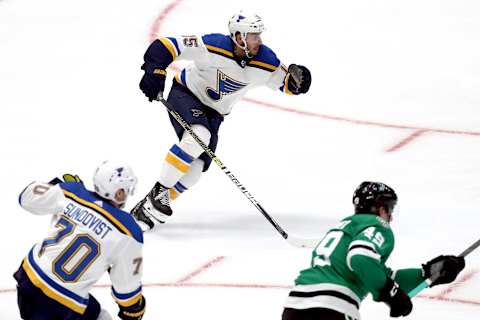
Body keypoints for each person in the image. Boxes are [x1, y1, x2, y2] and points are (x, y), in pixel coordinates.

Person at [132, 10, 312, 229]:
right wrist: (155, 71)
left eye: (258, 36)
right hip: (185, 94)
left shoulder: (266, 61)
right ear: (238, 37)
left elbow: (285, 83)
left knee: (196, 170)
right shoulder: (212, 46)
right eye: (253, 36)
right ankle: (159, 193)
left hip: (215, 114)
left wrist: (297, 84)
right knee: (198, 136)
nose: (259, 41)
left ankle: (148, 207)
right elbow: (164, 46)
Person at [282, 181, 465, 320]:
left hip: (294, 308)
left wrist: (428, 274)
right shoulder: (377, 225)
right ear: (380, 208)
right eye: (390, 209)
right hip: (330, 309)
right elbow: (360, 257)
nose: (391, 217)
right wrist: (390, 293)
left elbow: (381, 276)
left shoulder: (346, 227)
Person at [13, 161, 146, 320]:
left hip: (28, 280)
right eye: (125, 189)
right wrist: (134, 308)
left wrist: (57, 186)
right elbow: (127, 291)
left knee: (93, 310)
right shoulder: (128, 232)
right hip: (62, 306)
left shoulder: (72, 192)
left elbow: (26, 198)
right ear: (118, 193)